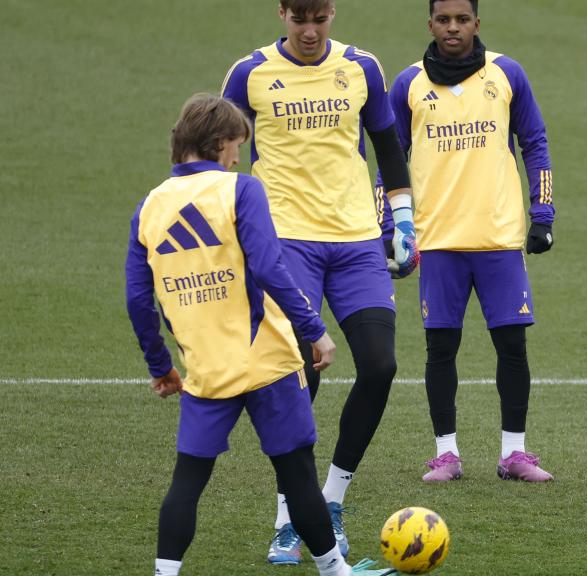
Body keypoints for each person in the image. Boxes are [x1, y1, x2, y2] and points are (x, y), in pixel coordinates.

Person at [221, 0, 417, 564]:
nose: (310, 31)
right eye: (299, 19)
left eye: (320, 19)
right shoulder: (250, 73)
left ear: (333, 13)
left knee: (379, 365)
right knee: (299, 376)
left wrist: (403, 220)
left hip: (356, 241)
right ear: (281, 13)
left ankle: (330, 500)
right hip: (286, 242)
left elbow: (388, 148)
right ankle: (288, 517)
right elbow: (220, 152)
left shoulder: (362, 68)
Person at [125, 93, 352, 576]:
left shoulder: (149, 208)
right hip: (268, 362)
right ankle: (336, 570)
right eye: (236, 146)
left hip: (206, 371)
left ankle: (164, 573)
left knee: (188, 481)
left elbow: (138, 301)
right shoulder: (241, 190)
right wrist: (314, 329)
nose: (236, 157)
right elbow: (269, 267)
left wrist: (161, 367)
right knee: (297, 474)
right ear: (219, 142)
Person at [384, 0, 555, 483]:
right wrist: (388, 225)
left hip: (499, 238)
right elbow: (390, 161)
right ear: (430, 25)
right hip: (437, 240)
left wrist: (542, 213)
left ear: (477, 23)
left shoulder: (507, 74)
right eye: (444, 20)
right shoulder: (408, 84)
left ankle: (514, 454)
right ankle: (447, 455)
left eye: (462, 20)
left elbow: (535, 141)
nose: (453, 28)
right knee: (440, 348)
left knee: (512, 346)